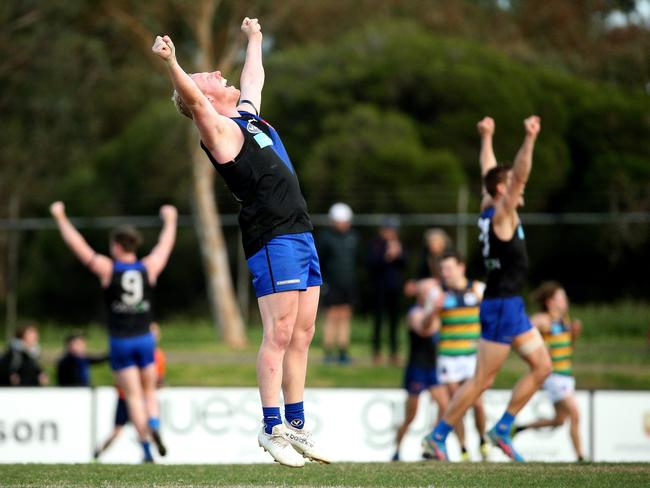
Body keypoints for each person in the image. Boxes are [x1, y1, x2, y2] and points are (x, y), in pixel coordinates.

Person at [152, 17, 329, 467]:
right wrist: (173, 64)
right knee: (280, 332)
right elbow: (192, 98)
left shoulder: (247, 118)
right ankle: (271, 429)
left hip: (300, 230)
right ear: (205, 100)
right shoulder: (217, 130)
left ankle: (296, 425)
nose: (215, 73)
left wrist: (256, 39)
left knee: (304, 333)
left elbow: (254, 77)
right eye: (206, 77)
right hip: (272, 236)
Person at [423, 115, 551, 462]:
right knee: (481, 379)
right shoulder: (501, 214)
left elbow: (489, 172)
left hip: (511, 305)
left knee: (542, 366)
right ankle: (438, 436)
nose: (519, 188)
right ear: (503, 191)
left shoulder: (488, 206)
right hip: (501, 305)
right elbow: (517, 174)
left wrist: (487, 137)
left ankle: (502, 428)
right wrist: (529, 138)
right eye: (511, 185)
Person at [50, 202, 177, 463]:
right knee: (149, 391)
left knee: (132, 396)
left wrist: (60, 216)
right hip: (145, 338)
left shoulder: (108, 269)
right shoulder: (148, 267)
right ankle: (154, 424)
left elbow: (79, 246)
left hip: (120, 341)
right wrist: (171, 220)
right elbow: (165, 245)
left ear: (117, 246)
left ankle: (146, 448)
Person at [513, 282, 585, 461]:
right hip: (553, 376)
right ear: (550, 301)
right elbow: (522, 333)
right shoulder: (543, 320)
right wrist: (538, 349)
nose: (565, 301)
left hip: (566, 375)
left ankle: (521, 427)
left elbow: (568, 349)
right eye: (561, 298)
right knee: (575, 413)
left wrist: (574, 335)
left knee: (560, 420)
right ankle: (581, 457)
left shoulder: (565, 320)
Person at [435, 252, 488, 461]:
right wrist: (433, 311)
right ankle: (464, 448)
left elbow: (492, 315)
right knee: (456, 404)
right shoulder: (439, 293)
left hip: (472, 356)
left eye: (448, 268)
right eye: (442, 269)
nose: (445, 273)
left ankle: (483, 439)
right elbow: (426, 326)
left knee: (477, 403)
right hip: (448, 356)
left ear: (461, 267)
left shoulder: (478, 289)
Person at [95, 322, 168, 460]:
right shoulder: (156, 355)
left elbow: (120, 375)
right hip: (137, 397)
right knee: (138, 422)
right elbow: (157, 380)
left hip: (128, 396)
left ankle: (146, 453)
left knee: (124, 428)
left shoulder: (151, 354)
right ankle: (153, 426)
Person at [393, 279, 446, 462]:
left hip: (432, 368)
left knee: (445, 407)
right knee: (411, 416)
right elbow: (424, 328)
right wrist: (433, 310)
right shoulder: (415, 313)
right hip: (417, 368)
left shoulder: (437, 314)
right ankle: (397, 450)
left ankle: (433, 446)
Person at [318, 203, 358, 364]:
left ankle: (343, 350)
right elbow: (320, 261)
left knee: (345, 315)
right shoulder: (326, 238)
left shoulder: (353, 237)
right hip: (331, 284)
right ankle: (328, 351)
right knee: (331, 316)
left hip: (348, 284)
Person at [368, 218, 406, 365]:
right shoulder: (376, 244)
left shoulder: (398, 244)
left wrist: (399, 254)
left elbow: (404, 263)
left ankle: (394, 352)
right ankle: (376, 351)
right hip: (379, 288)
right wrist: (388, 256)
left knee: (394, 322)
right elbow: (372, 263)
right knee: (378, 321)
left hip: (395, 288)